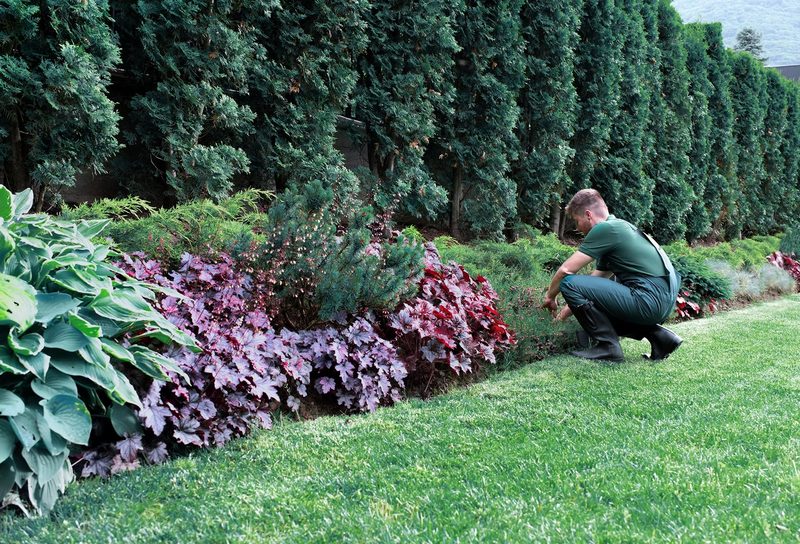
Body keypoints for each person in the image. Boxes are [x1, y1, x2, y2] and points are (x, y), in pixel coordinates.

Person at [541, 189, 683, 362]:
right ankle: (660, 337)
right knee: (595, 294)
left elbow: (566, 271)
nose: (577, 228)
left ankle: (608, 347)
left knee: (569, 283)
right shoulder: (619, 227)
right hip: (663, 301)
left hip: (649, 299)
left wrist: (550, 296)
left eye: (576, 222)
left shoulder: (605, 229)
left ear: (588, 215)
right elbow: (594, 283)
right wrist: (562, 316)